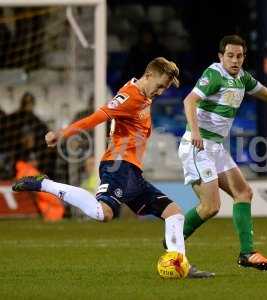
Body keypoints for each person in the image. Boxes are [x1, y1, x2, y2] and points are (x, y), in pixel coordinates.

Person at [12, 57, 214, 278]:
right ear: (148, 76)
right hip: (118, 166)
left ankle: (179, 263)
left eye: (165, 87)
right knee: (103, 213)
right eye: (160, 85)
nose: (162, 91)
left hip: (133, 172)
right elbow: (96, 117)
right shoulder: (129, 97)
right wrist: (62, 134)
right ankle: (45, 184)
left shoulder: (144, 95)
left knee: (174, 214)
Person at [178, 35, 267, 271]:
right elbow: (189, 101)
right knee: (211, 207)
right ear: (221, 56)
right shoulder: (214, 74)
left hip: (216, 148)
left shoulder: (242, 78)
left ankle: (247, 253)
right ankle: (173, 241)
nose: (235, 60)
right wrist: (196, 131)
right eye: (230, 55)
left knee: (243, 192)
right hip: (197, 145)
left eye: (239, 56)